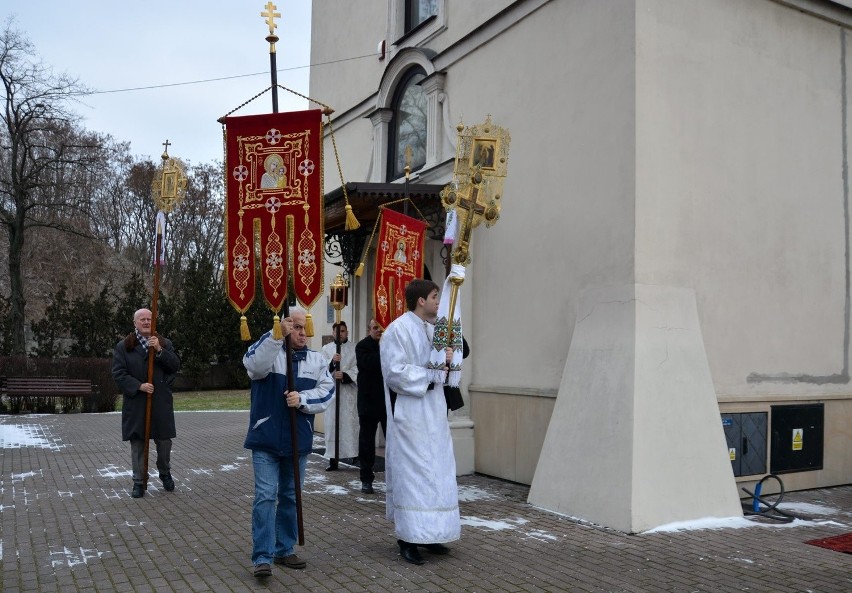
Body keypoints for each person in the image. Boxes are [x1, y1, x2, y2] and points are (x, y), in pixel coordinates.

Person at [243, 309, 335, 579]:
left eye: (304, 327)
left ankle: (284, 548)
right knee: (265, 496)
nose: (302, 333)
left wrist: (303, 399)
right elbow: (253, 366)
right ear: (284, 327)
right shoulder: (269, 352)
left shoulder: (316, 360)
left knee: (290, 496)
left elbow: (327, 391)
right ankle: (262, 556)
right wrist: (274, 338)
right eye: (295, 327)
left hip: (298, 440)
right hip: (266, 438)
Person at [380, 279, 459, 565]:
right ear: (420, 300)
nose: (439, 301)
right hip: (412, 413)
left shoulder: (436, 329)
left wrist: (449, 360)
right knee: (413, 474)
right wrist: (430, 373)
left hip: (435, 412)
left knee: (437, 472)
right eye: (435, 297)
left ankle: (433, 533)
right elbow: (394, 371)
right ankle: (408, 539)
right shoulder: (397, 330)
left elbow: (445, 371)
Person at [112, 308, 181, 499]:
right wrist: (139, 386)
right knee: (138, 443)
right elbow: (118, 374)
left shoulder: (164, 343)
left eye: (149, 319)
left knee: (164, 442)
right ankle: (139, 480)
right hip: (137, 403)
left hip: (159, 403)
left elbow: (174, 366)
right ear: (135, 323)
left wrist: (159, 350)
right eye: (142, 319)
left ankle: (165, 472)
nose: (146, 322)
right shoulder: (124, 346)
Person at [321, 321, 359, 471]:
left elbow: (358, 367)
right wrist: (331, 363)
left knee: (350, 424)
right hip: (333, 394)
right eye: (337, 331)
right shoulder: (326, 349)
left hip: (348, 392)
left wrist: (345, 375)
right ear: (333, 333)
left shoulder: (354, 348)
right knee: (333, 425)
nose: (340, 334)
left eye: (342, 331)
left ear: (347, 332)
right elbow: (321, 368)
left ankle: (355, 454)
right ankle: (333, 459)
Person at [354, 318, 387, 494]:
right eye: (375, 328)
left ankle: (396, 477)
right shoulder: (362, 346)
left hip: (388, 402)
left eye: (381, 328)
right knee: (366, 443)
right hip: (368, 402)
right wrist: (384, 347)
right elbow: (371, 364)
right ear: (369, 330)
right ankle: (366, 479)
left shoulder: (390, 344)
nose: (378, 331)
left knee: (395, 441)